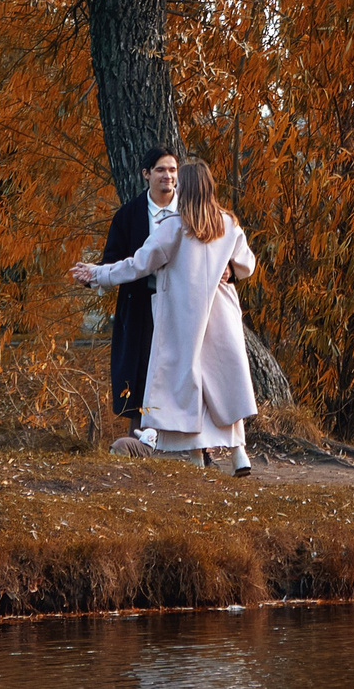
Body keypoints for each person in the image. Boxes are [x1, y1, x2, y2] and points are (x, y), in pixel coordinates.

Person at [74, 158, 258, 473]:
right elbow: (248, 263)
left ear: (183, 188)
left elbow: (137, 264)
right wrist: (230, 269)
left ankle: (193, 452)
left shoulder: (174, 226)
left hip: (183, 319)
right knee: (222, 383)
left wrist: (97, 274)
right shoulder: (227, 224)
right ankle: (237, 453)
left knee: (186, 384)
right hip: (221, 317)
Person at [94, 148, 180, 443]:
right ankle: (137, 439)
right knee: (140, 367)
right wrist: (96, 276)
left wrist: (230, 271)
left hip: (184, 305)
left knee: (184, 368)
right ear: (146, 174)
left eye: (172, 170)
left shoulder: (191, 213)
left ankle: (191, 441)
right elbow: (112, 260)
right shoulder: (128, 216)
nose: (167, 176)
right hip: (141, 304)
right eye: (160, 170)